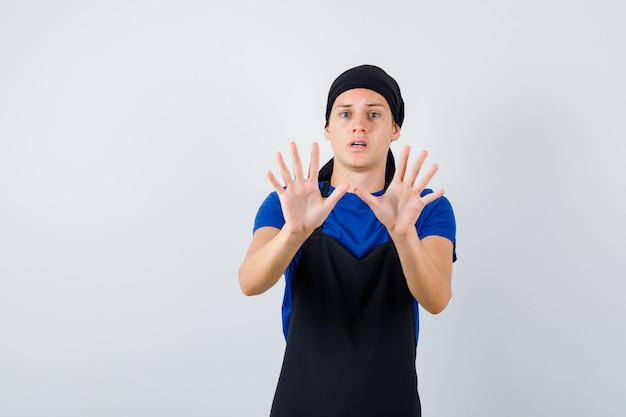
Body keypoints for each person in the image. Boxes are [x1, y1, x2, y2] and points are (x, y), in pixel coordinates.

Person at [239, 64, 457, 417]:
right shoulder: (290, 202)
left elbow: (436, 299)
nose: (359, 124)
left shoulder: (425, 207)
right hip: (303, 402)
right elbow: (249, 282)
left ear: (394, 129)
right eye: (345, 114)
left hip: (392, 404)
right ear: (328, 129)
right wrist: (295, 233)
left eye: (374, 113)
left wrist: (403, 234)